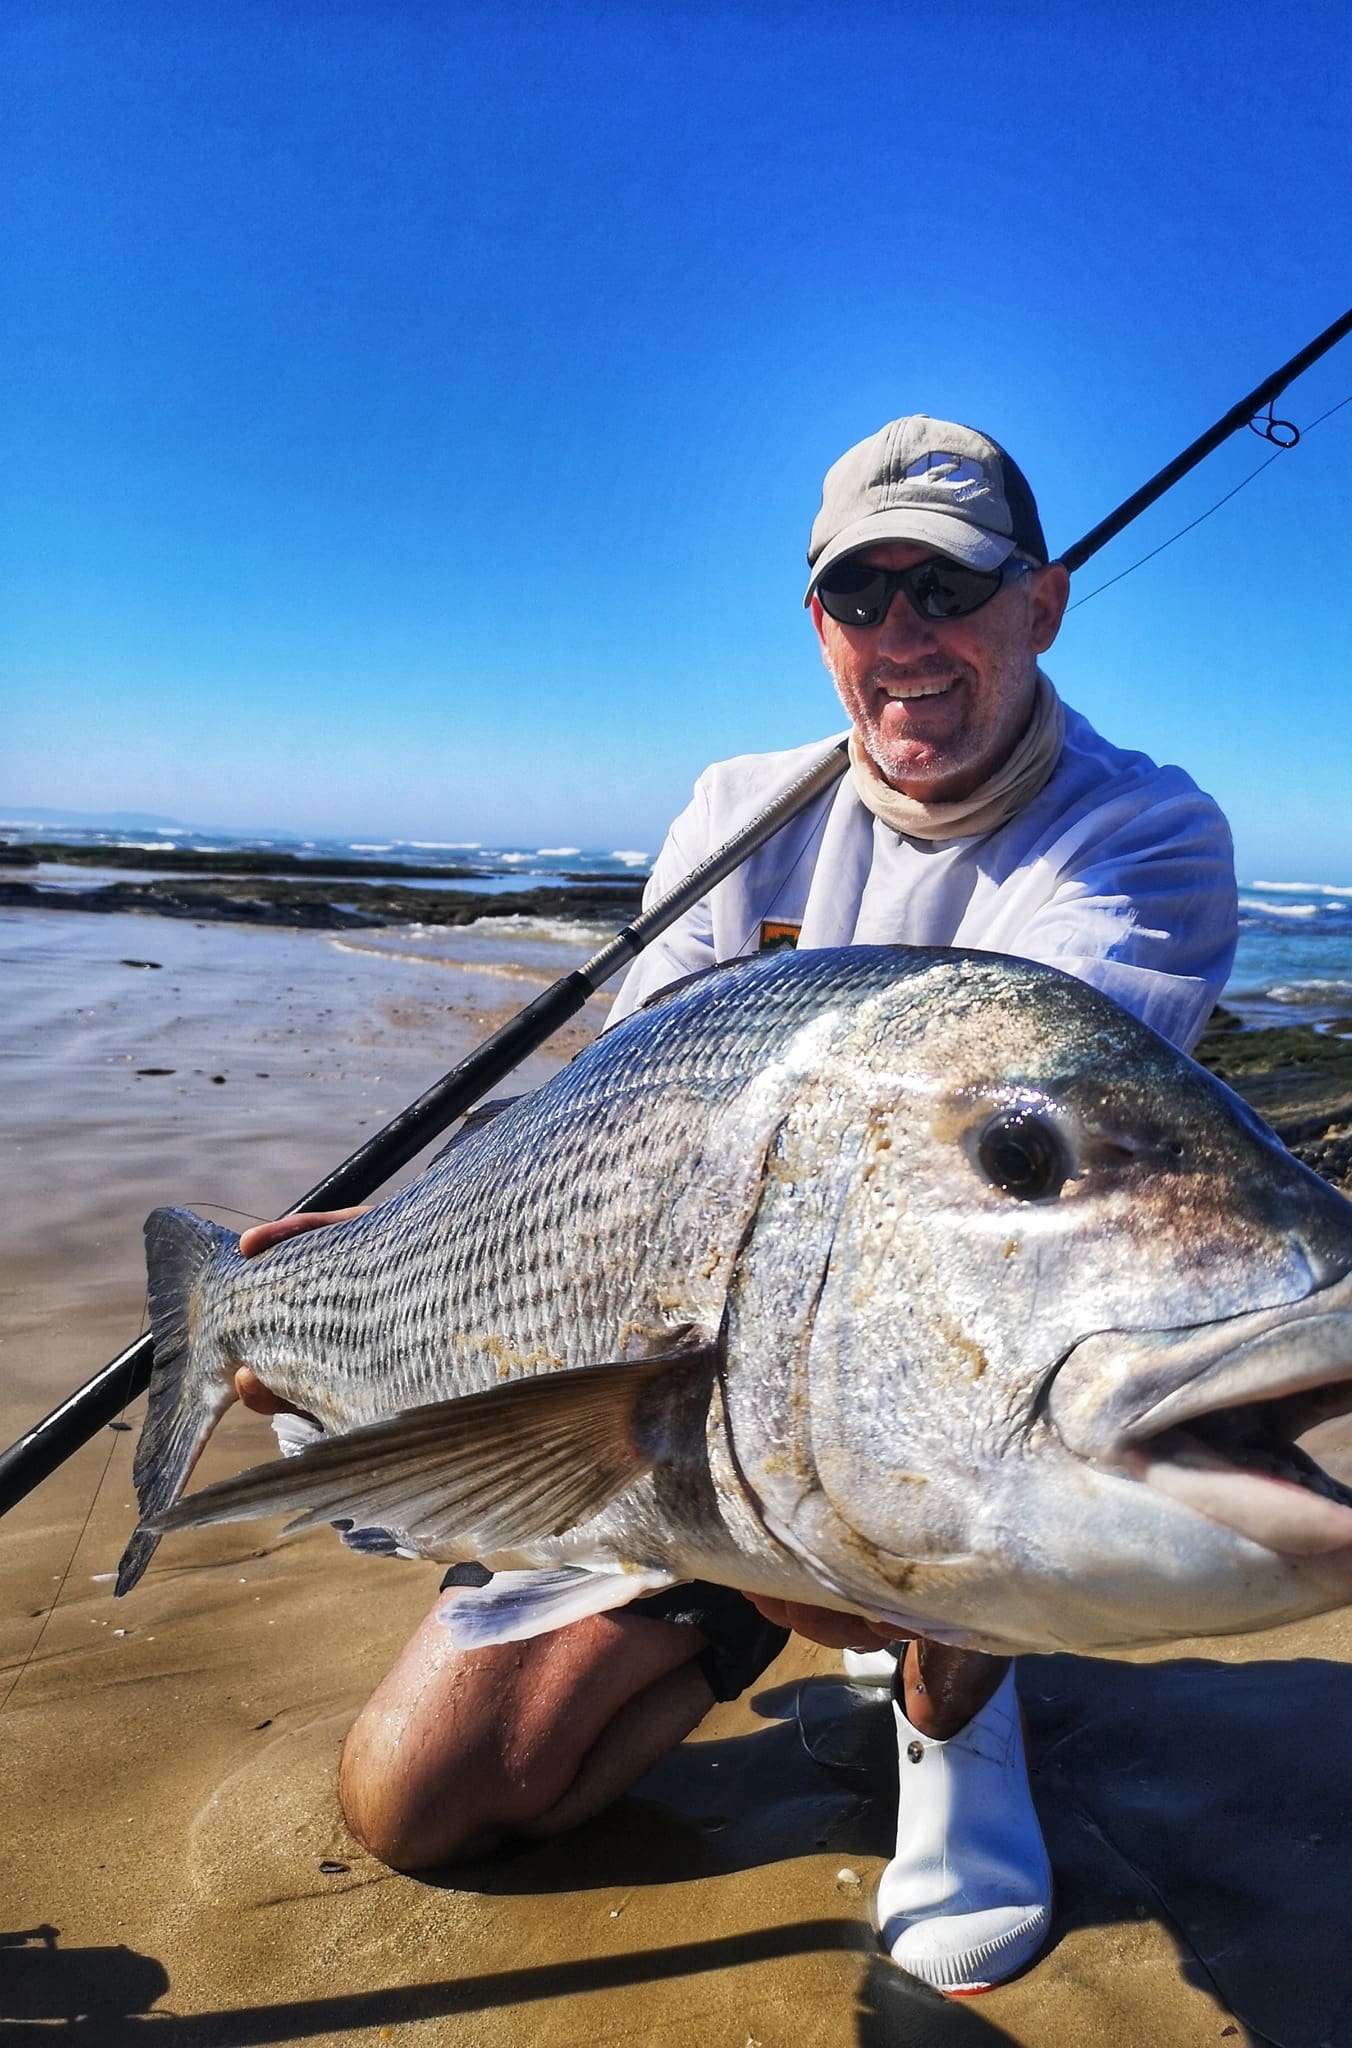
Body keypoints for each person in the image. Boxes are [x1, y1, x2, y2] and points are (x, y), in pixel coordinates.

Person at [235, 415, 1238, 1995]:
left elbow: (976, 1199)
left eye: (949, 587)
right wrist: (383, 1276)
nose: (902, 636)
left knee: (994, 1316)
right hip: (687, 1357)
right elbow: (600, 1153)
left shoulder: (1141, 836)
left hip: (937, 1345)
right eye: (861, 596)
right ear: (817, 624)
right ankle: (757, 1609)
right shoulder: (736, 816)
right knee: (420, 1802)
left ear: (1042, 605)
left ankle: (952, 1713)